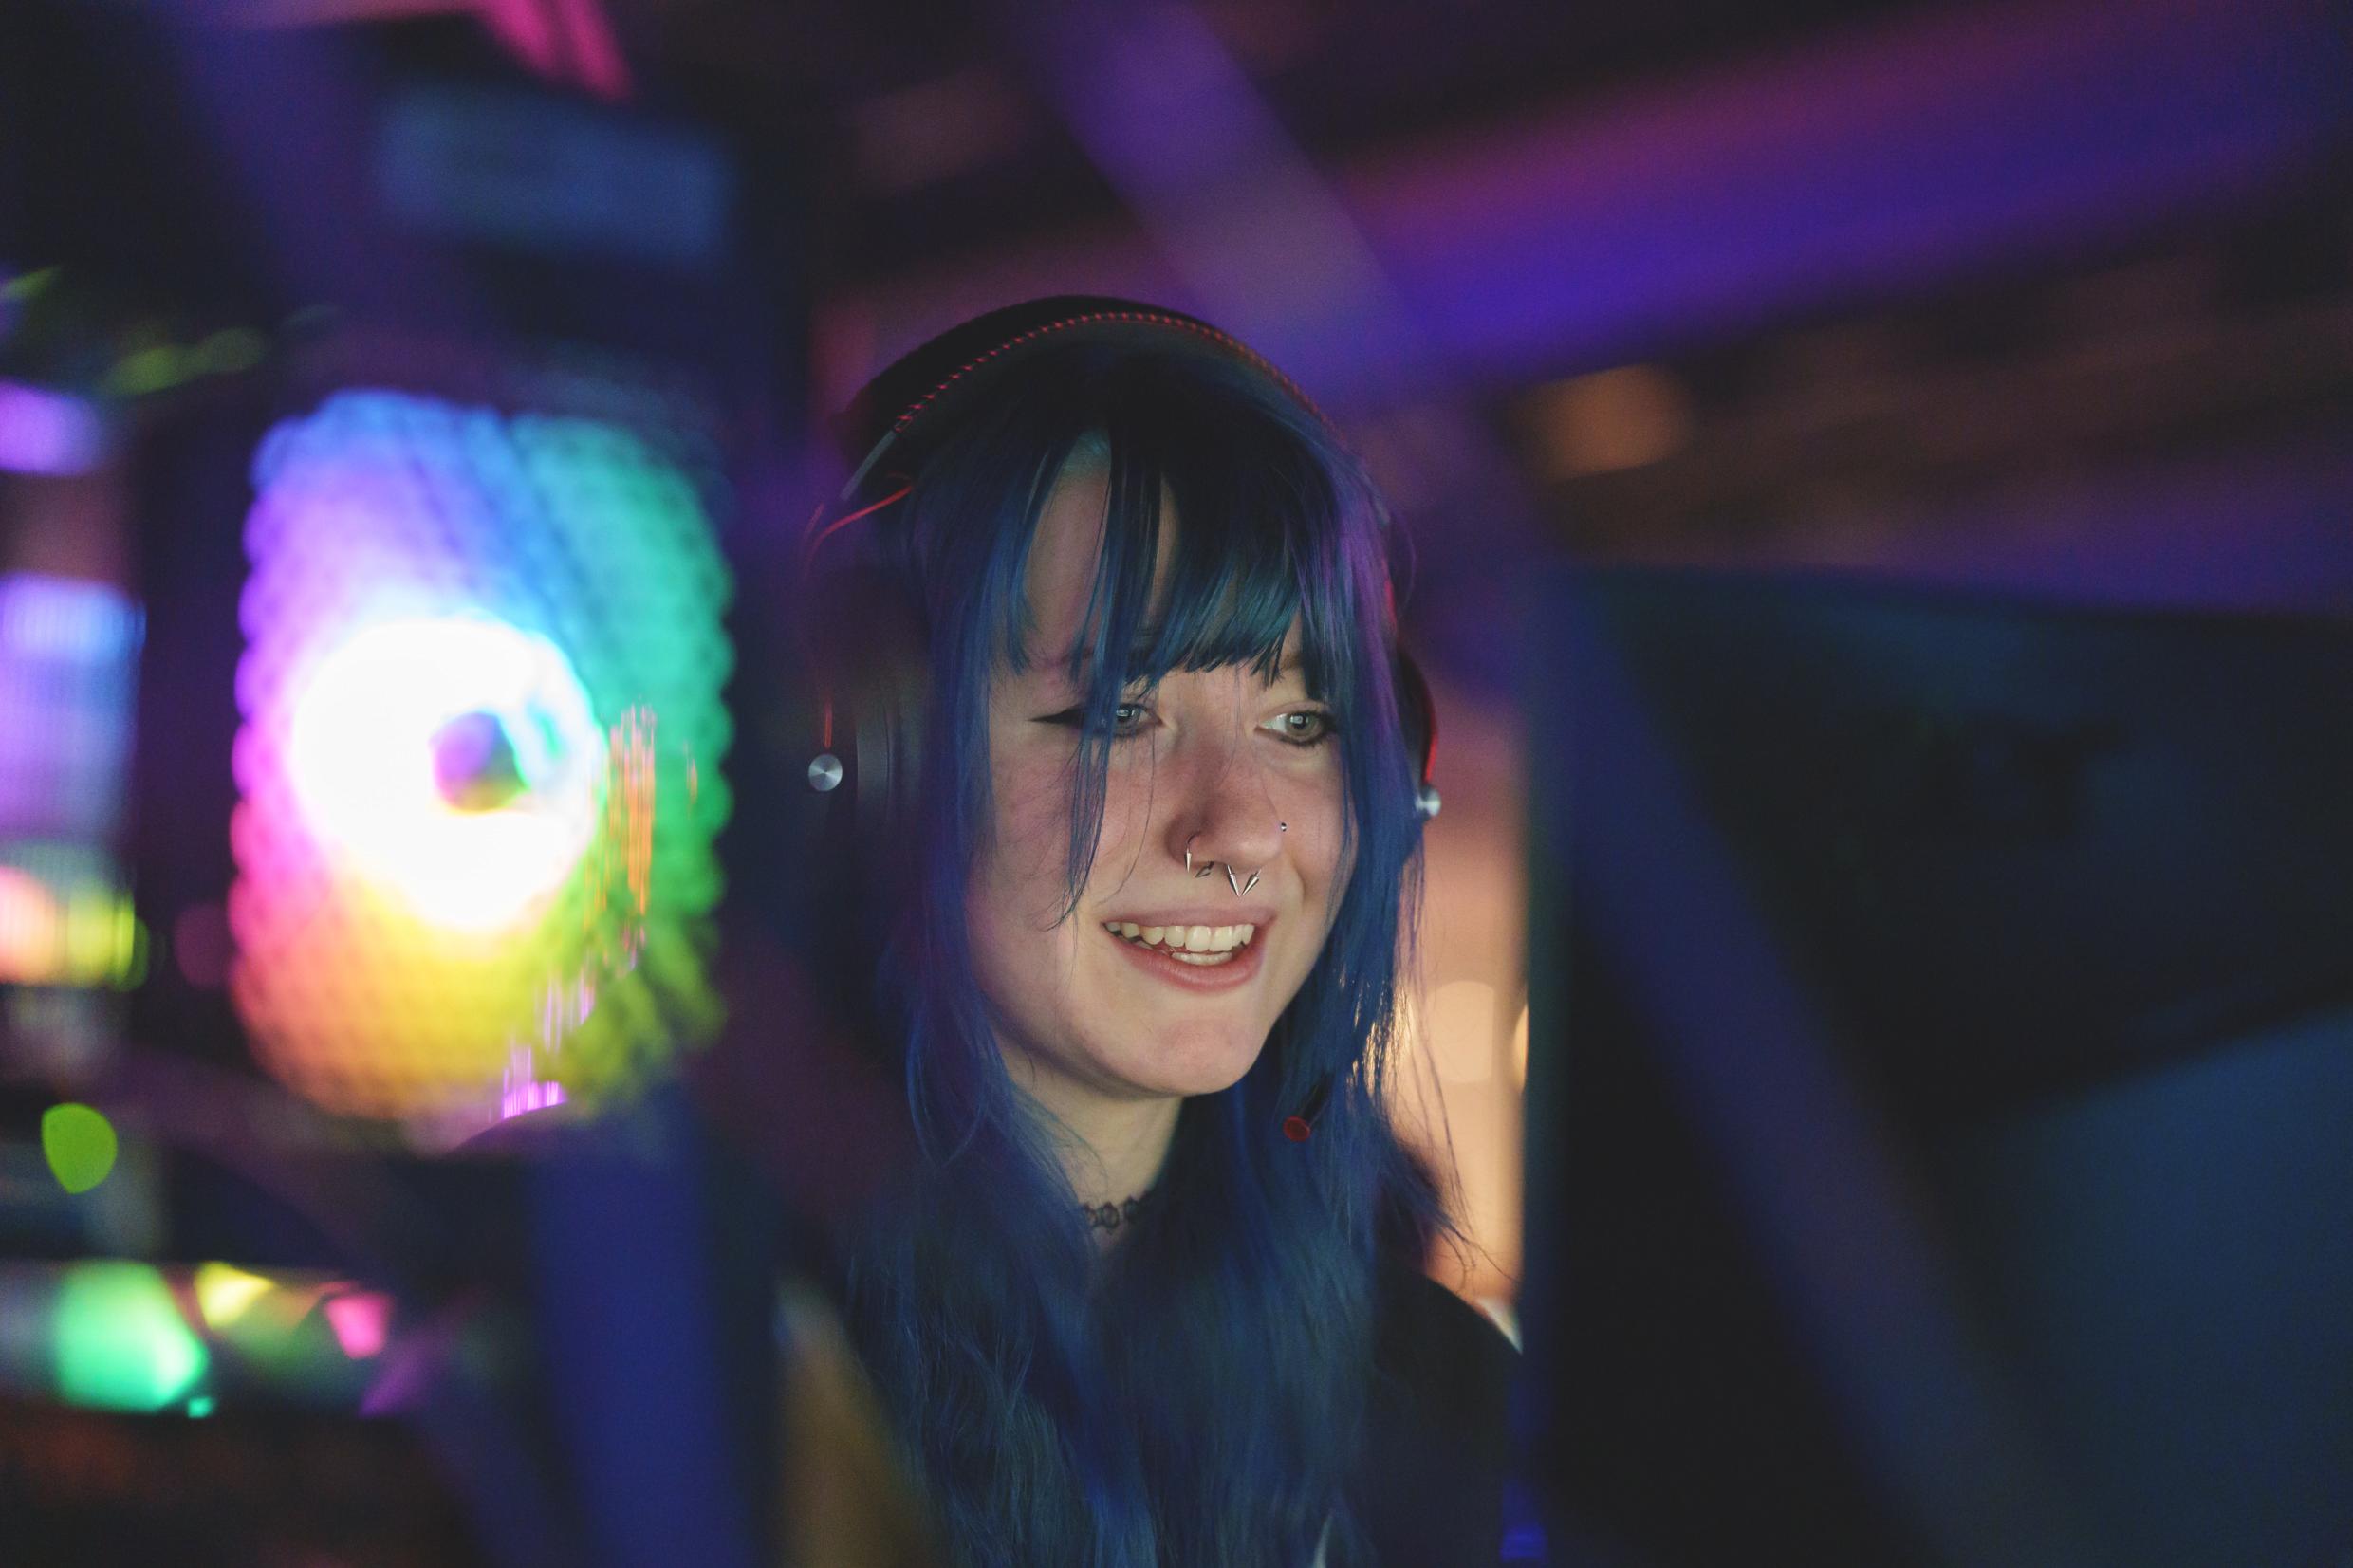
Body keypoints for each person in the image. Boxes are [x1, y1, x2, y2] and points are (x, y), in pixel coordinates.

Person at [776, 298, 1514, 1567]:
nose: (1239, 830)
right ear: (871, 755)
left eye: (1300, 721)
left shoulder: (1431, 1395)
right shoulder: (681, 1361)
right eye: (1115, 715)